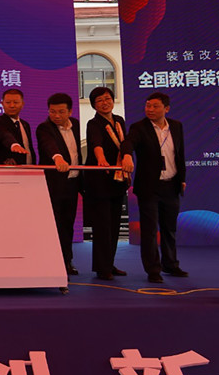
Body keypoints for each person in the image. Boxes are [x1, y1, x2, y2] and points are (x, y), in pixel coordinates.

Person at [121, 92, 187, 283]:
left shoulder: (176, 126)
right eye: (148, 105)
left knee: (169, 228)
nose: (150, 109)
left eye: (155, 106)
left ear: (166, 109)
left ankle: (171, 264)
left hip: (171, 185)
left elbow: (180, 154)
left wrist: (182, 179)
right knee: (149, 230)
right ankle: (153, 270)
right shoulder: (139, 127)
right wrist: (127, 155)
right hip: (149, 187)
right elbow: (128, 142)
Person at [35, 92, 83, 276]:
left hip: (72, 183)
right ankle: (50, 263)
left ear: (70, 111)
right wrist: (58, 158)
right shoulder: (44, 128)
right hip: (53, 184)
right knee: (52, 225)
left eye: (61, 112)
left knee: (67, 225)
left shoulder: (76, 125)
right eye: (52, 111)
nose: (56, 115)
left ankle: (66, 261)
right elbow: (48, 145)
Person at [83, 87, 128, 281]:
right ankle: (102, 268)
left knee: (114, 225)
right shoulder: (94, 123)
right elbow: (96, 144)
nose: (105, 103)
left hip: (117, 179)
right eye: (100, 100)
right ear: (94, 104)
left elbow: (125, 144)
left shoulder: (119, 121)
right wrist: (101, 160)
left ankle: (109, 263)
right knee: (102, 226)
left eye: (108, 98)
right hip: (99, 179)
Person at [0, 88, 36, 165]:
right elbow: (4, 135)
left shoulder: (25, 124)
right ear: (2, 104)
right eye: (8, 102)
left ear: (22, 104)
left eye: (16, 102)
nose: (12, 106)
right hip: (9, 169)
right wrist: (13, 145)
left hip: (30, 169)